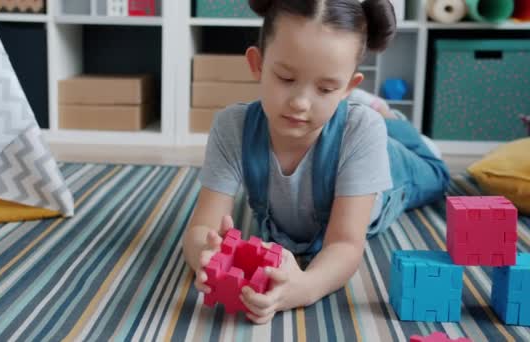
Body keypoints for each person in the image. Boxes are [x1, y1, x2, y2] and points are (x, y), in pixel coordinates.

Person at [182, 0, 450, 324]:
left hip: (392, 169)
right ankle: (375, 111)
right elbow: (201, 229)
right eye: (285, 78)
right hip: (352, 137)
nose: (299, 102)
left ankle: (390, 118)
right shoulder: (233, 126)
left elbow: (346, 244)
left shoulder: (361, 132)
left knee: (437, 173)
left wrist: (305, 286)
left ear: (347, 87)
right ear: (257, 64)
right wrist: (205, 257)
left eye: (325, 88)